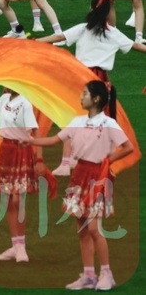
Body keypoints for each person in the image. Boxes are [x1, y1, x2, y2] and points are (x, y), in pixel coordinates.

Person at [26, 80, 134, 291]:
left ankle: (107, 274)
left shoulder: (109, 124)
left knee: (93, 228)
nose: (81, 97)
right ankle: (89, 275)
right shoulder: (78, 121)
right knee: (83, 229)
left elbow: (128, 147)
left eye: (85, 93)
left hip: (98, 177)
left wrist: (107, 161)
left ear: (96, 99)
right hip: (80, 175)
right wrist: (29, 141)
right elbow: (54, 140)